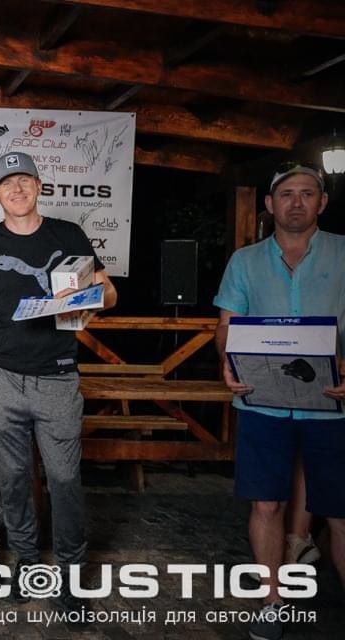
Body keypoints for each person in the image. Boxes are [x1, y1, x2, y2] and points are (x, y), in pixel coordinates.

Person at [0, 151, 116, 613]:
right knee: (14, 479)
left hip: (58, 377)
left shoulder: (68, 234)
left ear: (40, 186)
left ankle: (71, 576)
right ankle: (28, 564)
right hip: (1, 376)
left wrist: (85, 295)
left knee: (64, 479)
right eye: (7, 183)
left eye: (24, 179)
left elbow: (109, 293)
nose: (17, 188)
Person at [214, 161, 345, 640]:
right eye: (286, 194)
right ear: (270, 204)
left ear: (322, 203)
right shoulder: (245, 261)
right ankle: (272, 601)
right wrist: (227, 361)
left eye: (307, 193)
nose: (296, 202)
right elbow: (227, 325)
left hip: (333, 405)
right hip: (262, 404)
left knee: (341, 513)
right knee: (266, 504)